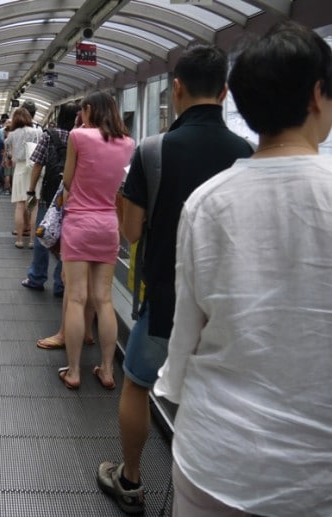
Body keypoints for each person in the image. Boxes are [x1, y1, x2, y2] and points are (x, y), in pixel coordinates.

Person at [153, 21, 332, 516]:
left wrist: (169, 388)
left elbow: (187, 331)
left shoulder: (207, 203)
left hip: (215, 457)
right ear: (318, 95)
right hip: (318, 473)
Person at [96, 44, 254, 515]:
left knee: (138, 384)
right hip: (224, 306)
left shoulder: (153, 149)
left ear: (176, 88)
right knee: (214, 393)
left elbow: (132, 232)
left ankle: (131, 480)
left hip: (163, 300)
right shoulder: (247, 153)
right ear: (225, 92)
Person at [57, 90, 134, 390]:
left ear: (88, 110)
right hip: (107, 224)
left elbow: (67, 179)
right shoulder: (128, 143)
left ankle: (74, 371)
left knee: (76, 298)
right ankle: (107, 370)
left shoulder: (78, 136)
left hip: (79, 222)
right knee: (104, 299)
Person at [20, 101, 79, 295]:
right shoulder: (82, 137)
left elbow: (37, 164)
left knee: (43, 233)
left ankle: (37, 277)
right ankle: (61, 284)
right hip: (72, 194)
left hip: (50, 193)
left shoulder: (49, 135)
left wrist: (30, 190)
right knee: (67, 238)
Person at [4, 107, 40, 248]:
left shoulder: (12, 134)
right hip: (34, 168)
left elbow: (8, 152)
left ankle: (19, 240)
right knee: (33, 205)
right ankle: (32, 241)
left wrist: (9, 157)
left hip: (19, 169)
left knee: (20, 205)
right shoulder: (38, 132)